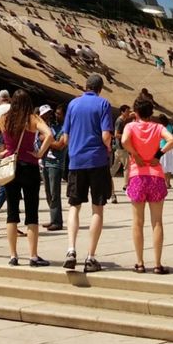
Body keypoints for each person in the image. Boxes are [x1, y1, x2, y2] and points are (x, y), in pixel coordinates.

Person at [0, 88, 52, 266]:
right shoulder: (32, 119)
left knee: (12, 213)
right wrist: (39, 153)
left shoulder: (5, 119)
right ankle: (33, 256)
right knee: (32, 212)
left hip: (10, 168)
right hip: (30, 167)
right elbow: (50, 135)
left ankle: (13, 255)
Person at [60, 73, 114, 273]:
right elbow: (106, 135)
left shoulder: (73, 104)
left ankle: (71, 250)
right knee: (97, 208)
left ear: (85, 86)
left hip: (76, 161)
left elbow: (65, 136)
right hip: (97, 160)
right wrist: (108, 147)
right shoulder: (103, 104)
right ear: (100, 88)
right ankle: (91, 257)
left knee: (74, 206)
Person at [122, 95, 173, 273]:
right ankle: (157, 263)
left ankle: (139, 262)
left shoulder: (130, 126)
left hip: (138, 175)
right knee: (157, 222)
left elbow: (123, 141)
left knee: (137, 222)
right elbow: (172, 140)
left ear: (136, 112)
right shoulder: (158, 127)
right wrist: (159, 155)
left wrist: (135, 154)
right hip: (155, 175)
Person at [41, 103, 66, 231]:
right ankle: (53, 218)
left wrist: (46, 140)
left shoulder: (65, 129)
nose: (56, 116)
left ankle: (57, 221)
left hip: (56, 163)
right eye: (55, 113)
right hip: (46, 162)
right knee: (48, 192)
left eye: (59, 114)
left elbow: (59, 145)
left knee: (55, 192)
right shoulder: (52, 127)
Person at [110, 104, 131, 204]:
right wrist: (126, 135)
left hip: (120, 148)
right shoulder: (119, 121)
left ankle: (108, 176)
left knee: (116, 165)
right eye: (127, 111)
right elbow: (116, 134)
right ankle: (126, 185)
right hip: (121, 147)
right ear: (122, 112)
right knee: (128, 166)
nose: (128, 112)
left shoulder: (123, 120)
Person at [156, 113, 173, 189]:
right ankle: (168, 182)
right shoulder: (171, 127)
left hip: (163, 148)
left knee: (163, 166)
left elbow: (158, 138)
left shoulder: (160, 127)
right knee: (169, 165)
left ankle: (165, 182)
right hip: (170, 148)